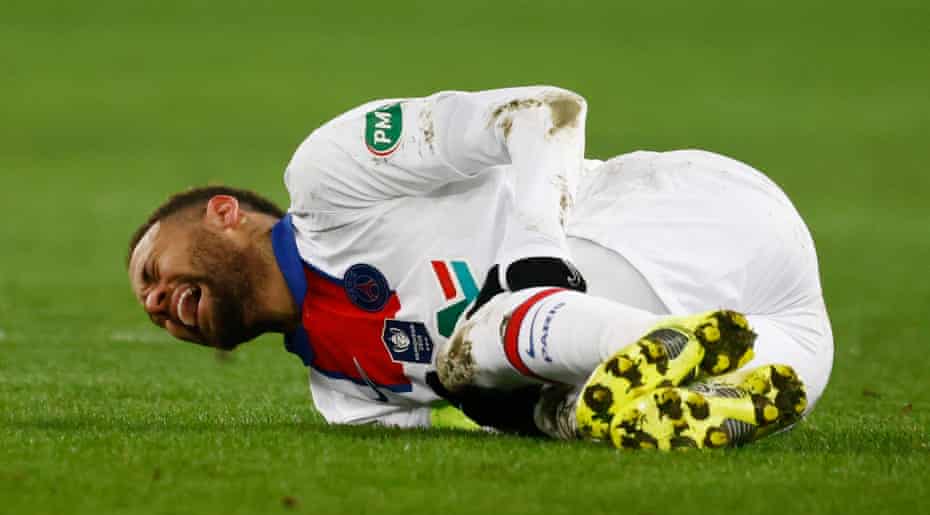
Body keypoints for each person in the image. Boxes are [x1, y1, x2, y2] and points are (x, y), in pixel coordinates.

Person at [127, 86, 833, 450]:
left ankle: (644, 359)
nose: (157, 302)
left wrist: (533, 256)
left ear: (223, 213)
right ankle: (671, 391)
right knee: (512, 396)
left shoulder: (330, 177)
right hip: (788, 343)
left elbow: (541, 109)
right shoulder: (346, 397)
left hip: (687, 217)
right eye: (148, 306)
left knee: (478, 341)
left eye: (155, 270)